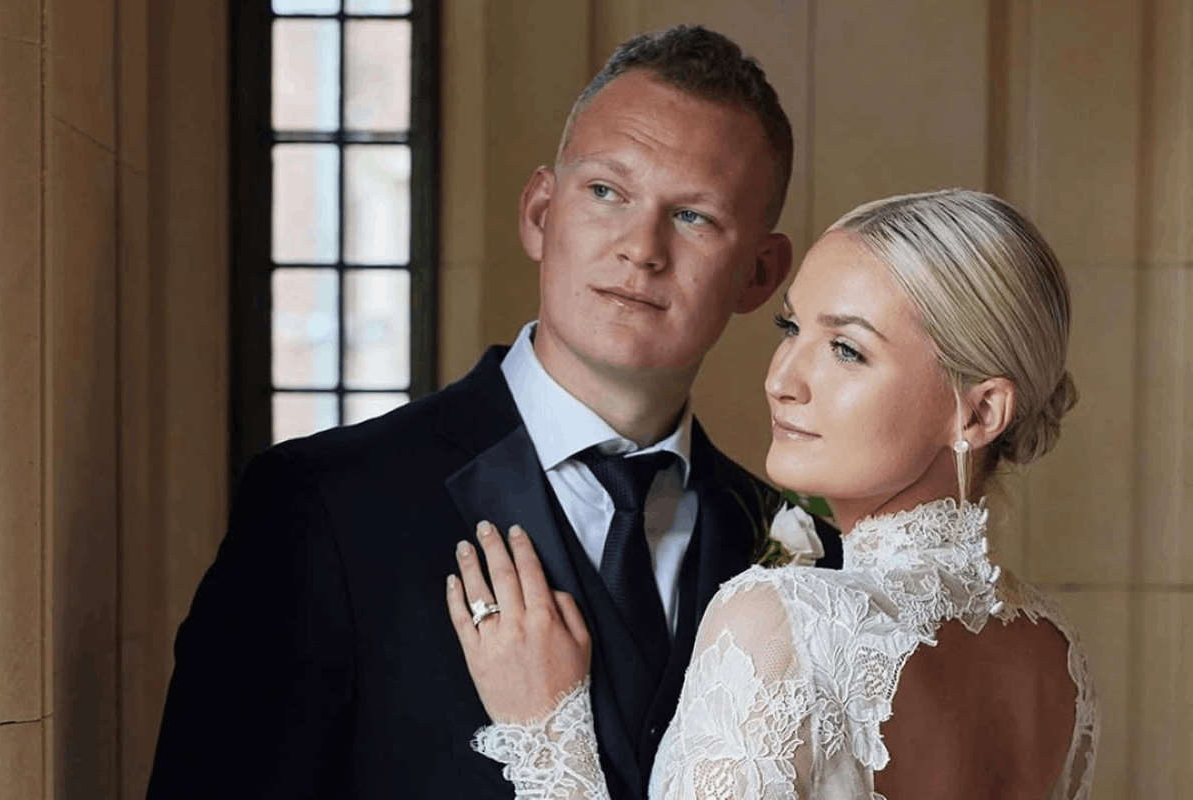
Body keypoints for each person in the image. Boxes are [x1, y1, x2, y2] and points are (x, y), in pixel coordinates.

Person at [145, 25, 841, 800]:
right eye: (606, 192)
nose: (641, 247)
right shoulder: (325, 510)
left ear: (760, 274)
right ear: (541, 212)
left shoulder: (810, 562)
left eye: (694, 217)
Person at [447, 189, 1100, 798]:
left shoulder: (787, 619)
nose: (782, 380)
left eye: (846, 350)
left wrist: (547, 740)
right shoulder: (1056, 654)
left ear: (979, 414)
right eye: (790, 329)